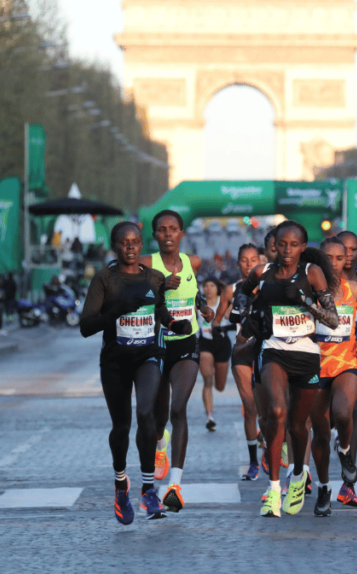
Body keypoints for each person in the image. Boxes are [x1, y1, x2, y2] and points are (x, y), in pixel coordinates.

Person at [80, 221, 190, 524]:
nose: (130, 247)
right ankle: (120, 484)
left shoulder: (154, 278)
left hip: (147, 356)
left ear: (142, 245)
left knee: (146, 414)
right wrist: (117, 310)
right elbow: (86, 327)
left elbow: (161, 313)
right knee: (121, 426)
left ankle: (147, 489)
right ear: (116, 246)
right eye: (124, 243)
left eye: (135, 242)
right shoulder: (105, 279)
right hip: (115, 361)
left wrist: (175, 325)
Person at [237, 220, 339, 517]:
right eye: (282, 244)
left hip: (306, 355)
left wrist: (306, 301)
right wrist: (249, 314)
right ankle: (272, 490)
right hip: (274, 351)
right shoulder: (263, 272)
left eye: (294, 245)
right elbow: (243, 293)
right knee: (276, 412)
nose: (287, 250)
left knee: (298, 425)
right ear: (274, 246)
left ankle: (298, 477)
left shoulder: (312, 273)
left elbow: (332, 319)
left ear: (303, 247)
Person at [142, 209, 214, 513]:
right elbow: (133, 296)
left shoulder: (192, 263)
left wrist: (202, 307)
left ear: (182, 234)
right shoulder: (146, 263)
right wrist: (159, 288)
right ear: (155, 234)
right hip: (157, 345)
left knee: (178, 408)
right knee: (157, 417)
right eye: (162, 230)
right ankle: (161, 444)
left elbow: (194, 293)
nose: (168, 234)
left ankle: (175, 484)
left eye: (173, 229)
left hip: (187, 343)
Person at [309, 237, 357, 516]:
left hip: (347, 361)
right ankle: (323, 488)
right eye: (327, 258)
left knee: (344, 412)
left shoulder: (355, 290)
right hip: (316, 362)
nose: (332, 263)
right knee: (320, 433)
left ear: (346, 259)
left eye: (338, 258)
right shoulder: (309, 289)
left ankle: (345, 450)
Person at [213, 243, 263, 480]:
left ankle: (275, 442)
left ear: (259, 261)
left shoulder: (268, 286)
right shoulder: (231, 291)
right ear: (238, 263)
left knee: (271, 407)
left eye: (253, 260)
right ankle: (253, 462)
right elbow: (217, 319)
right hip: (242, 351)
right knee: (250, 406)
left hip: (268, 350)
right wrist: (217, 329)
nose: (248, 264)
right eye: (244, 260)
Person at [333, 230, 357, 505]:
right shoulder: (316, 279)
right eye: (343, 249)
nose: (349, 255)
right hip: (321, 355)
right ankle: (304, 473)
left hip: (351, 354)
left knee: (352, 405)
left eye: (353, 249)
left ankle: (349, 484)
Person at [198, 277, 232, 431]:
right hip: (205, 343)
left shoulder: (223, 301)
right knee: (207, 380)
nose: (209, 289)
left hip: (222, 343)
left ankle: (211, 411)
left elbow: (233, 318)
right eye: (206, 286)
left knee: (220, 386)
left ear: (218, 289)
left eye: (212, 286)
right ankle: (209, 417)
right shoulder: (199, 304)